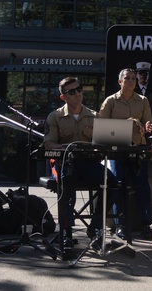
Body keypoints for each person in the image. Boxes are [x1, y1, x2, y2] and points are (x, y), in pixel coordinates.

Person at [44, 76, 113, 251]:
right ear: (63, 97)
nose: (78, 94)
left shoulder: (94, 116)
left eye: (79, 89)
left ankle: (95, 228)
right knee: (67, 187)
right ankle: (66, 234)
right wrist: (65, 147)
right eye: (72, 92)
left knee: (112, 183)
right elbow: (49, 144)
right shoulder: (55, 117)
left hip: (88, 163)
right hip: (64, 163)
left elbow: (104, 142)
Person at [98, 67, 152, 239]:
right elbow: (101, 128)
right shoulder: (110, 101)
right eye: (128, 78)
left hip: (137, 148)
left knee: (141, 184)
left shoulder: (142, 100)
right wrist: (124, 126)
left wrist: (148, 126)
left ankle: (145, 224)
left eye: (133, 79)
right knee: (118, 183)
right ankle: (120, 224)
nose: (131, 81)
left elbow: (148, 122)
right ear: (120, 82)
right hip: (117, 148)